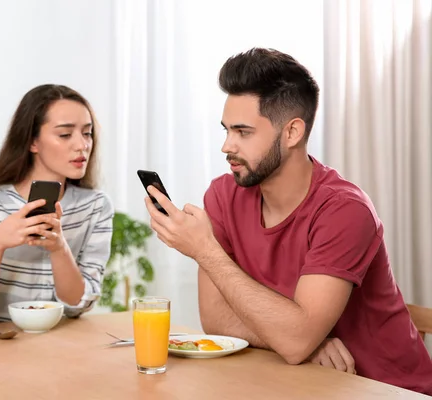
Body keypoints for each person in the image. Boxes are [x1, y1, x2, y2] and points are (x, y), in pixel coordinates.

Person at [142, 48, 432, 395]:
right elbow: (216, 321)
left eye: (243, 132)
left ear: (292, 132)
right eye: (226, 130)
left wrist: (205, 251)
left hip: (385, 390)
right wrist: (303, 341)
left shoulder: (345, 211)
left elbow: (295, 342)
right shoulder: (223, 195)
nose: (226, 145)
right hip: (301, 384)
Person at [0, 84, 114, 324]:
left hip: (44, 349)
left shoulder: (96, 206)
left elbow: (78, 306)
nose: (82, 144)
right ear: (33, 141)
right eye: (65, 134)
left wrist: (59, 248)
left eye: (87, 133)